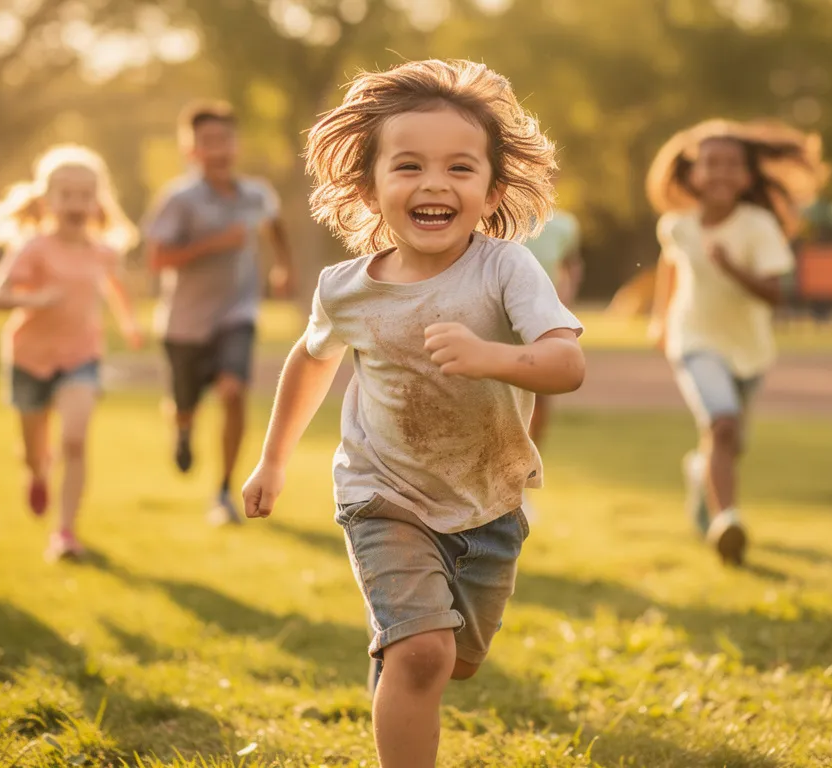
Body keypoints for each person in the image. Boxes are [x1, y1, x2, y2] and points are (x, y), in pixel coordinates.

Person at [240, 60, 585, 767]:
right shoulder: (345, 289)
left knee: (449, 660)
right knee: (424, 654)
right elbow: (312, 361)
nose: (434, 184)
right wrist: (272, 460)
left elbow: (565, 364)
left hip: (487, 502)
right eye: (409, 166)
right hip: (382, 495)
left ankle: (397, 658)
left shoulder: (506, 269)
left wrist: (491, 356)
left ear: (490, 190)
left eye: (460, 168)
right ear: (370, 187)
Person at [645, 119, 827, 566]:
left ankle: (700, 478)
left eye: (732, 165)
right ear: (693, 175)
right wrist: (659, 319)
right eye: (711, 164)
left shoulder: (758, 226)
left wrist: (731, 268)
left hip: (750, 350)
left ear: (746, 177)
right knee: (722, 425)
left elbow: (775, 294)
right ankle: (729, 520)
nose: (721, 173)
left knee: (729, 441)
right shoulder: (677, 226)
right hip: (694, 339)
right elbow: (671, 267)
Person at [0, 144, 144, 561]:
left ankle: (65, 533)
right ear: (47, 200)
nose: (76, 203)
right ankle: (36, 472)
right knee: (35, 450)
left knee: (74, 440)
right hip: (28, 359)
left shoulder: (102, 252)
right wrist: (36, 301)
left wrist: (128, 322)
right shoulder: (33, 248)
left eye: (85, 195)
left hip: (81, 358)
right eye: (66, 194)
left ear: (97, 202)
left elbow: (116, 287)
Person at [143, 100, 298, 526]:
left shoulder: (256, 193)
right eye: (206, 141)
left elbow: (275, 225)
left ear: (236, 144)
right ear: (191, 150)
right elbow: (156, 259)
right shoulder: (179, 199)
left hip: (237, 313)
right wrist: (213, 244)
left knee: (234, 392)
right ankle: (183, 427)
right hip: (184, 323)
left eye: (224, 139)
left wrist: (283, 264)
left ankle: (224, 491)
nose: (217, 148)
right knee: (185, 405)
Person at [520, 206, 583, 520]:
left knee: (539, 408)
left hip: (543, 326)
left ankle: (522, 485)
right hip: (500, 325)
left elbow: (571, 265)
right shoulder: (493, 215)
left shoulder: (564, 225)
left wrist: (563, 300)